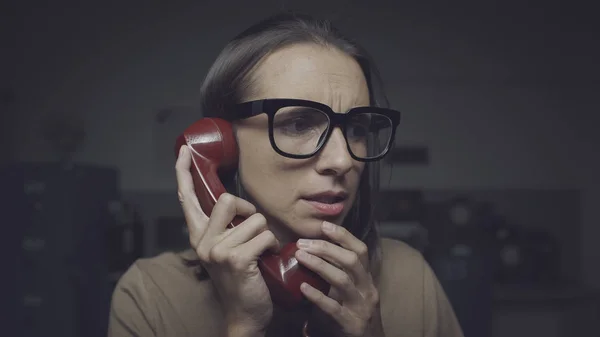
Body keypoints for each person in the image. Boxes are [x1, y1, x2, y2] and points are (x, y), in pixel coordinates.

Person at [108, 12, 464, 337]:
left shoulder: (409, 278)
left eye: (356, 127)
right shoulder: (150, 295)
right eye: (298, 123)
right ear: (223, 141)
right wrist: (244, 327)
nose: (342, 161)